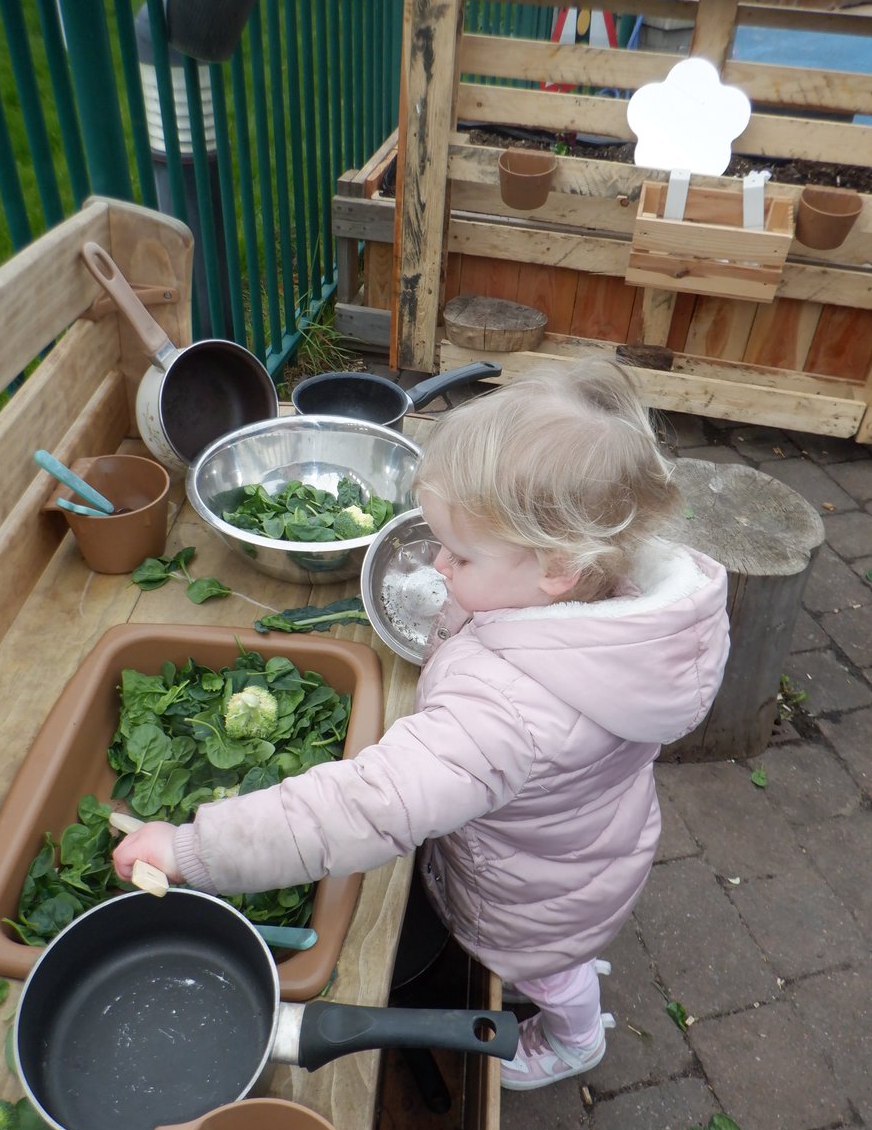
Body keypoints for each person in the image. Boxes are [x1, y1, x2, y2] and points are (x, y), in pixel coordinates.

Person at [114, 359, 730, 1091]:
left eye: (460, 555)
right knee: (567, 942)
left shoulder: (505, 711)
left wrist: (192, 848)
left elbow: (362, 807)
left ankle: (572, 1039)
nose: (437, 563)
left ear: (558, 567)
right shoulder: (628, 610)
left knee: (550, 969)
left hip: (531, 896)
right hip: (588, 846)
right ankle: (572, 956)